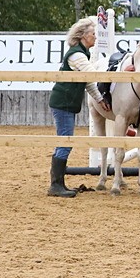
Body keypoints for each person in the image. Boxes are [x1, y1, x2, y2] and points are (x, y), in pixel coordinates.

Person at [48, 16, 113, 197]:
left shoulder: (81, 53)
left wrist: (99, 99)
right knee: (65, 142)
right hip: (63, 103)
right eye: (93, 33)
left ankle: (58, 183)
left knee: (65, 141)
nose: (95, 37)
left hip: (66, 103)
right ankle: (55, 185)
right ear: (83, 36)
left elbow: (87, 81)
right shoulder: (77, 55)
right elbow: (92, 74)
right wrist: (118, 72)